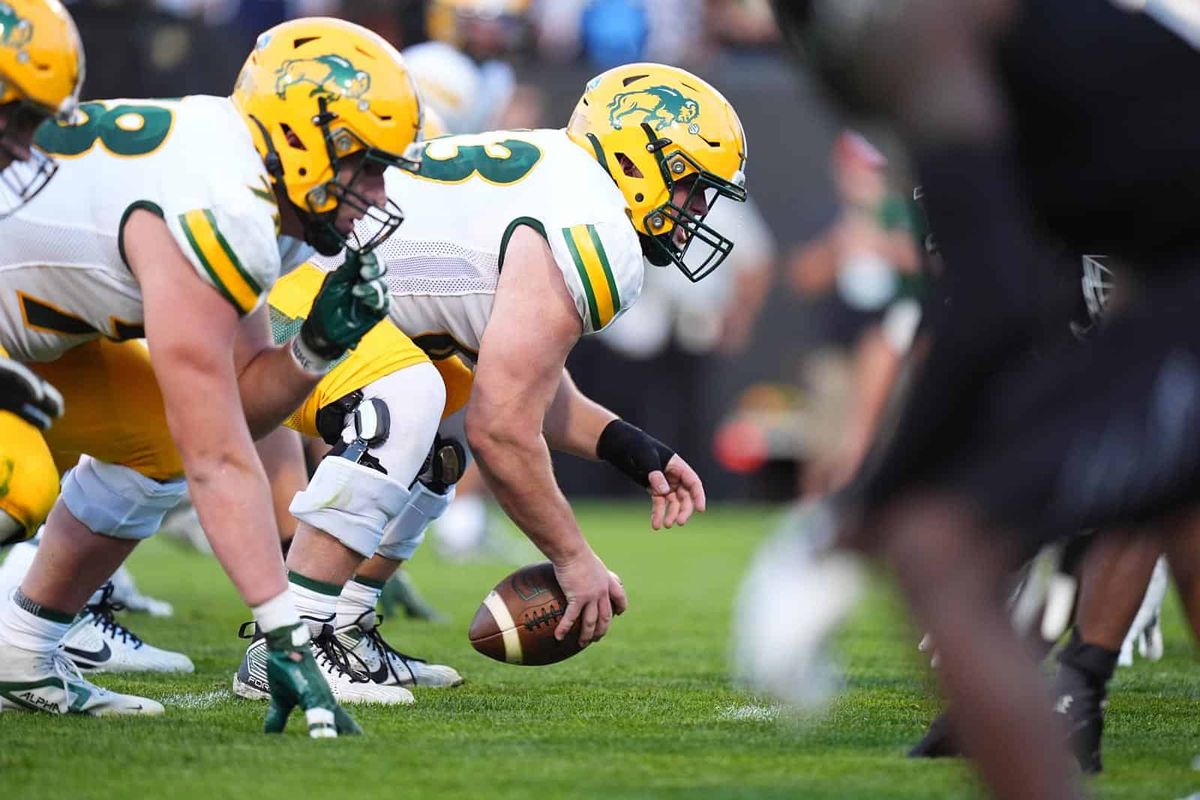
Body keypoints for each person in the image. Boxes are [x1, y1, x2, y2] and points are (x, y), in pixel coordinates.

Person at [739, 2, 1200, 798]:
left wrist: (858, 514)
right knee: (1176, 499)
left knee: (937, 544)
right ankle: (1077, 686)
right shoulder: (1056, 67)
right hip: (1168, 294)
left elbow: (992, 310)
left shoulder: (932, 39)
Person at [233, 61, 747, 698]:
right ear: (637, 160)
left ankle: (345, 624)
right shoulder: (595, 225)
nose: (697, 210)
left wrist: (631, 447)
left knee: (438, 422)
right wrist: (574, 558)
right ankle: (289, 643)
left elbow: (526, 389)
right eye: (691, 186)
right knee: (410, 396)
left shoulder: (566, 180)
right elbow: (502, 432)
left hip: (319, 291)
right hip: (293, 301)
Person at [0, 16, 422, 736]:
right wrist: (285, 634)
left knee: (157, 441)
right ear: (302, 139)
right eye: (367, 165)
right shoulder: (220, 201)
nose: (378, 194)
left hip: (28, 338)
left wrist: (313, 349)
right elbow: (218, 459)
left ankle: (21, 654)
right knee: (21, 482)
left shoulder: (244, 182)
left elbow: (239, 406)